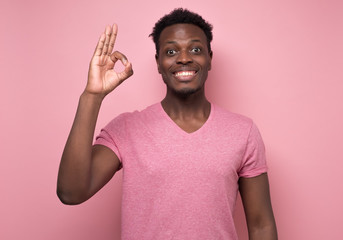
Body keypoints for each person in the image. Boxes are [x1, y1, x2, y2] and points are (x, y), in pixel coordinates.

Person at [57, 8, 278, 240]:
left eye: (195, 49)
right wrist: (92, 96)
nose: (184, 58)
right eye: (171, 51)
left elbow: (261, 225)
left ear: (210, 59)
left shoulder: (243, 132)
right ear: (159, 63)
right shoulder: (126, 128)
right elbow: (71, 193)